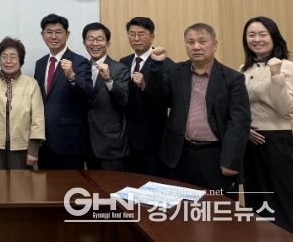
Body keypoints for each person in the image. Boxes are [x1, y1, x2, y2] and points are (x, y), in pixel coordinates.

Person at [146, 23, 251, 198]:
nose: (196, 47)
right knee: (181, 207)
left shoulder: (233, 78)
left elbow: (239, 122)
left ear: (214, 45)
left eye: (202, 41)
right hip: (179, 154)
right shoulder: (176, 71)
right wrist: (156, 66)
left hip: (215, 156)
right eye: (190, 42)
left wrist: (230, 161)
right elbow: (157, 95)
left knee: (217, 207)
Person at [240, 16, 293, 232]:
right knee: (256, 199)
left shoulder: (287, 67)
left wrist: (276, 75)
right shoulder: (243, 69)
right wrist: (244, 128)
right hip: (249, 142)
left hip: (276, 140)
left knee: (282, 198)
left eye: (263, 34)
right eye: (251, 35)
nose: (257, 39)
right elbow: (238, 107)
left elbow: (286, 109)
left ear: (274, 37)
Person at [34, 14, 92, 169]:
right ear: (42, 35)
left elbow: (88, 93)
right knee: (45, 183)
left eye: (58, 32)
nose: (53, 36)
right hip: (44, 141)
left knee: (70, 184)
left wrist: (72, 76)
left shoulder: (80, 62)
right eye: (49, 32)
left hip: (69, 141)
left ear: (67, 34)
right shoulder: (40, 64)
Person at [0, 37, 45, 170]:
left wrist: (33, 149)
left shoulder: (31, 84)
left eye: (13, 57)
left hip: (22, 146)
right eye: (4, 57)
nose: (8, 61)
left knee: (21, 182)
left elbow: (37, 118)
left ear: (20, 60)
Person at [119, 17, 170, 176]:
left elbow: (166, 97)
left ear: (152, 37)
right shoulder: (124, 62)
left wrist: (144, 86)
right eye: (132, 34)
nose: (136, 38)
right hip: (126, 139)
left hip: (153, 138)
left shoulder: (165, 64)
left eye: (141, 34)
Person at [82, 22, 129, 171]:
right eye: (90, 39)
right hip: (86, 143)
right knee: (90, 185)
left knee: (112, 184)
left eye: (100, 39)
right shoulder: (81, 68)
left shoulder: (119, 68)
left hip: (110, 142)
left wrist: (108, 79)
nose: (95, 43)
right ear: (84, 43)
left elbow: (123, 100)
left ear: (107, 43)